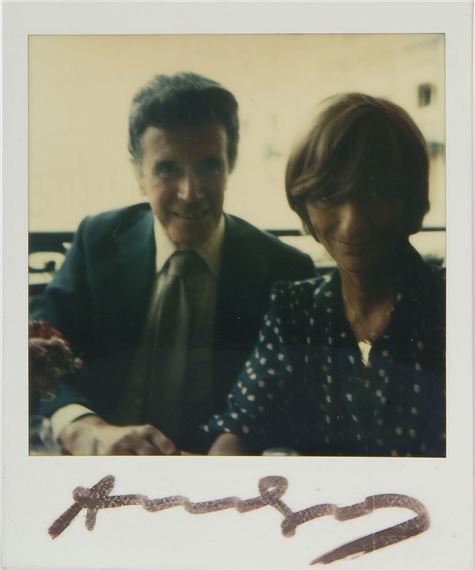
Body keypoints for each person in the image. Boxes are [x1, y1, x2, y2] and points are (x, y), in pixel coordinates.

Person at [31, 72, 315, 455]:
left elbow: (293, 410)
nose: (190, 193)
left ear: (230, 166)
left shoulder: (284, 270)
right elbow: (43, 355)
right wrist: (84, 426)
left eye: (209, 167)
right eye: (167, 169)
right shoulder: (97, 241)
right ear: (139, 175)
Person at [207, 93, 445, 457]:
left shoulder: (452, 307)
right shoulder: (294, 311)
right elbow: (240, 427)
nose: (351, 225)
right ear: (304, 206)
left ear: (411, 202)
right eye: (329, 196)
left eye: (375, 194)